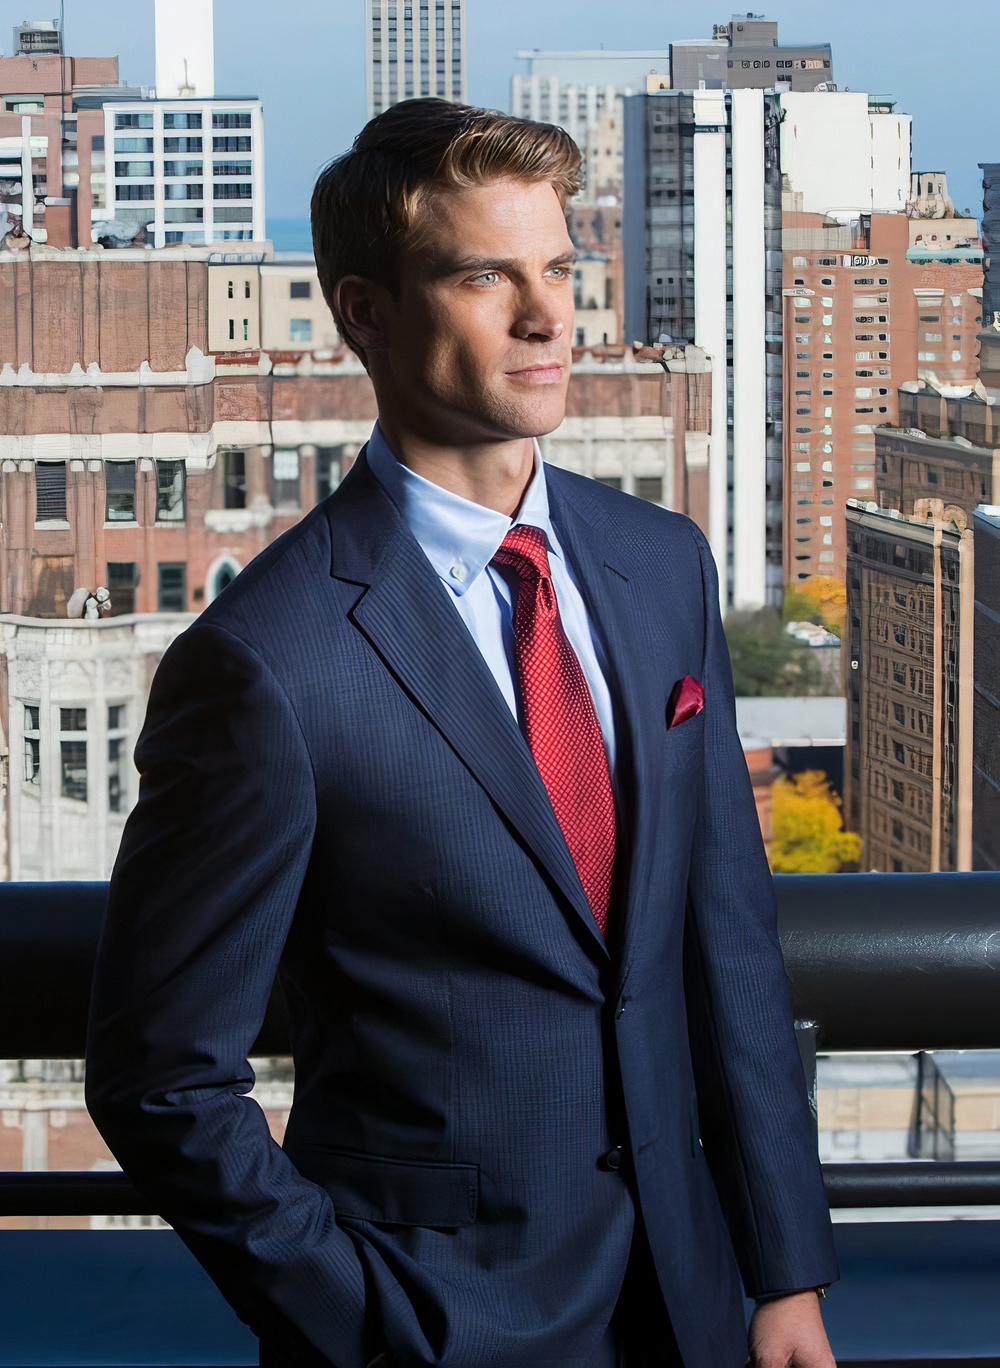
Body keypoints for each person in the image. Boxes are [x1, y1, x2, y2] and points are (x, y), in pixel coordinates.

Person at [85, 100, 839, 1368]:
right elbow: (162, 1079)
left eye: (558, 269)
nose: (548, 317)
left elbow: (727, 937)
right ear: (365, 312)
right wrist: (367, 1320)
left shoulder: (662, 566)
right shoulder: (264, 666)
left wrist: (784, 1272)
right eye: (487, 275)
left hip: (700, 1304)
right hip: (435, 1324)